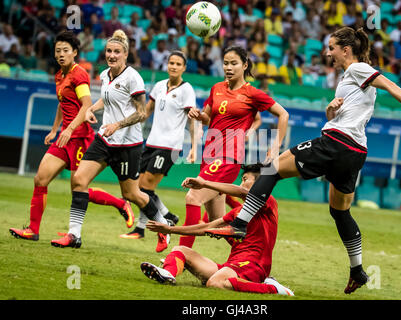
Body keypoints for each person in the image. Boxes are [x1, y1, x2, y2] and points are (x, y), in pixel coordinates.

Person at [207, 27, 401, 294]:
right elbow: (342, 115)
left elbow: (390, 85)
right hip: (355, 151)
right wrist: (331, 109)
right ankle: (357, 270)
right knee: (339, 211)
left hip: (335, 143)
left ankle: (240, 224)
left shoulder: (358, 68)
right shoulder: (351, 77)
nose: (328, 53)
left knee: (271, 169)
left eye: (332, 47)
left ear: (345, 50)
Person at [9, 31, 134, 242]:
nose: (61, 54)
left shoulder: (79, 75)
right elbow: (63, 103)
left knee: (78, 187)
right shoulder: (60, 75)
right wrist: (55, 129)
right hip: (64, 138)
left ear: (74, 52)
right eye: (57, 51)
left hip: (80, 138)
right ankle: (32, 230)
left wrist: (69, 130)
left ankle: (121, 204)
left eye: (65, 50)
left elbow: (86, 105)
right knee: (40, 178)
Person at [50, 30, 169, 248]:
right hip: (105, 139)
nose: (112, 55)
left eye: (117, 52)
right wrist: (90, 109)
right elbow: (105, 99)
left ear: (125, 55)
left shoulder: (133, 78)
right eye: (108, 51)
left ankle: (162, 226)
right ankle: (73, 235)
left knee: (132, 193)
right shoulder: (105, 75)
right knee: (79, 180)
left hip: (127, 145)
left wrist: (118, 124)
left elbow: (142, 113)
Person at [181, 45, 289, 249]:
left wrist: (275, 147)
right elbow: (207, 118)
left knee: (193, 196)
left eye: (234, 63)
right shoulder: (217, 88)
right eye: (225, 63)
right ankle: (251, 254)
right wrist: (198, 115)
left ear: (245, 65)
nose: (228, 68)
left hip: (228, 157)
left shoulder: (252, 93)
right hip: (209, 156)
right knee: (218, 223)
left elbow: (283, 114)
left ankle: (175, 260)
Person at [141, 164, 294, 296]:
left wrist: (205, 183)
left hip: (253, 266)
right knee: (180, 250)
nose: (242, 183)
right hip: (233, 265)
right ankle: (168, 274)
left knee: (215, 283)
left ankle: (272, 288)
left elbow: (242, 192)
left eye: (245, 179)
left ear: (259, 183)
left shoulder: (268, 201)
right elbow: (207, 227)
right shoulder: (238, 211)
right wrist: (169, 229)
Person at [120, 51, 197, 251]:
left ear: (184, 68)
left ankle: (157, 221)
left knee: (144, 188)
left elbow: (192, 121)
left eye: (178, 63)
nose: (173, 66)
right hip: (151, 143)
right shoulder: (159, 85)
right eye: (171, 62)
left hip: (170, 146)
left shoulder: (186, 90)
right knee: (138, 188)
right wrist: (125, 126)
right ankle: (157, 221)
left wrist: (194, 148)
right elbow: (145, 112)